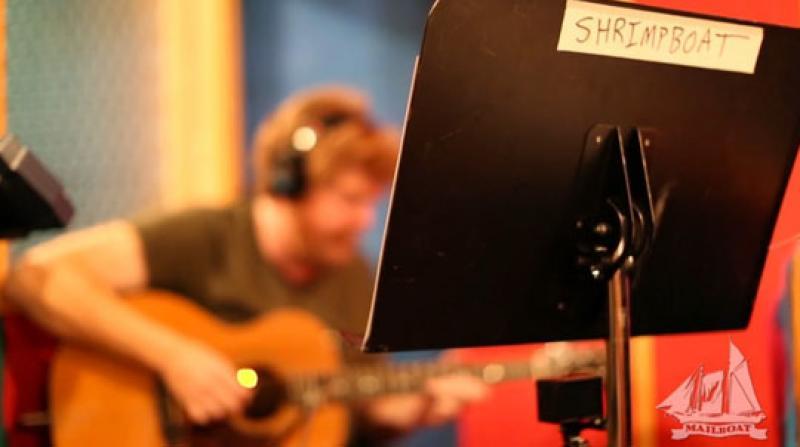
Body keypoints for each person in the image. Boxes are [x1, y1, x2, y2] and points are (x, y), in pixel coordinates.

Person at [4, 86, 488, 445]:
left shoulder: (357, 278)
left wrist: (412, 410)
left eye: (371, 203)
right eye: (349, 200)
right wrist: (174, 357)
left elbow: (352, 411)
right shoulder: (205, 238)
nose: (365, 220)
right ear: (286, 183)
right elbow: (34, 277)